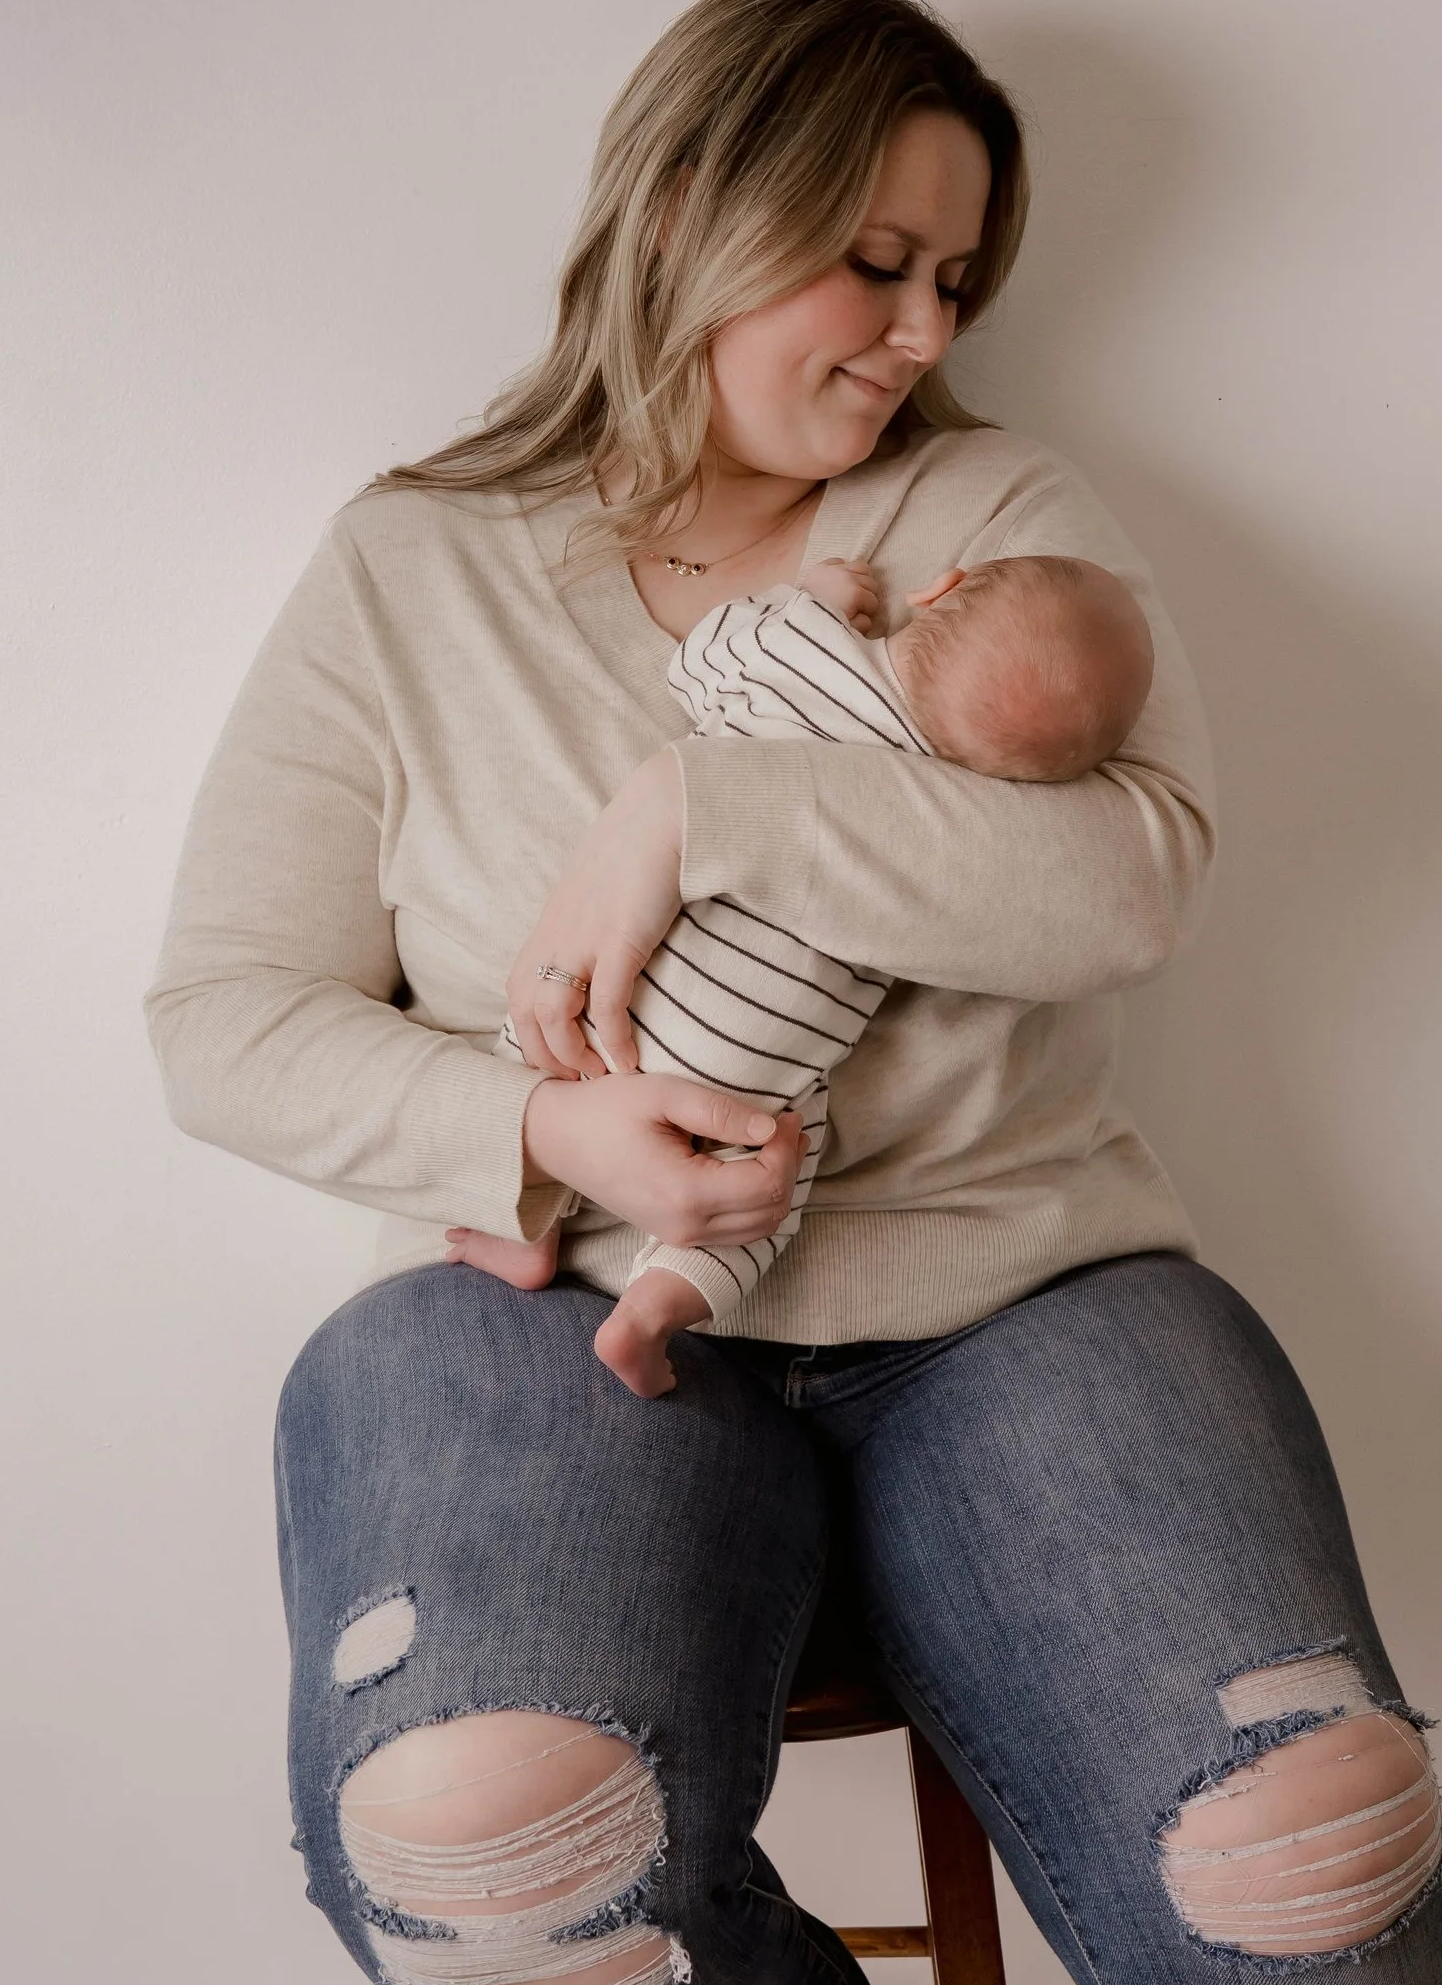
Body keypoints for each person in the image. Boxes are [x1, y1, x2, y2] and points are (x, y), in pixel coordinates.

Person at [146, 0, 1442, 1985]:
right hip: (545, 1311)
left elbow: (1122, 883)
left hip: (1023, 1302)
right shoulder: (410, 564)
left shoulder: (992, 522)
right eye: (859, 252)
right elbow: (223, 1018)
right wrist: (543, 1108)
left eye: (954, 273)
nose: (910, 328)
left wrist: (705, 806)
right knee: (479, 1839)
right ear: (684, 206)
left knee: (1309, 1876)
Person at [445, 544, 1158, 1395]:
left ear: (941, 588)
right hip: (768, 1070)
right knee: (766, 1184)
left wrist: (807, 598)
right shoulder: (966, 807)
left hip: (638, 1005)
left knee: (541, 1042)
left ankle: (527, 1232)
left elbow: (698, 661)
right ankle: (655, 1308)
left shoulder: (800, 654)